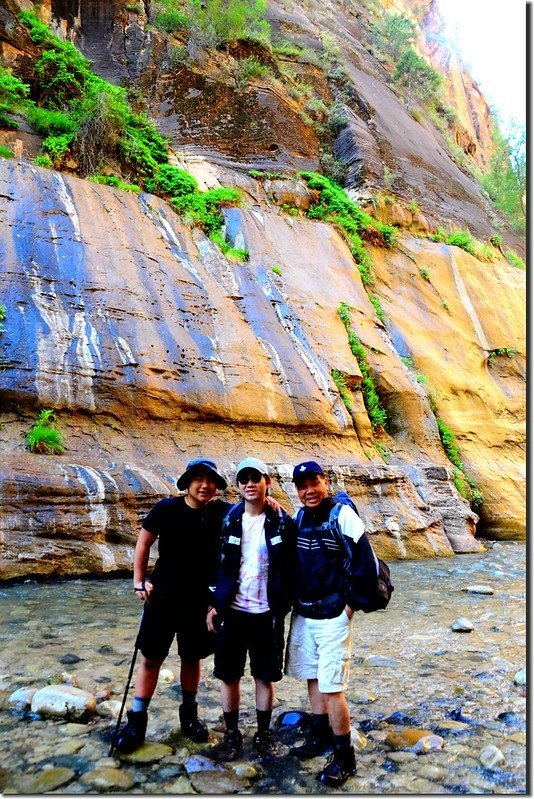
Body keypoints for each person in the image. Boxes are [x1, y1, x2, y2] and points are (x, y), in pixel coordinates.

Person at [115, 458, 231, 754]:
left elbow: (251, 509)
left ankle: (189, 717)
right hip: (163, 596)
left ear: (217, 486)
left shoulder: (221, 512)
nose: (204, 485)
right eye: (198, 479)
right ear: (187, 482)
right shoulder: (167, 508)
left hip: (200, 600)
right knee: (152, 658)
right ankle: (136, 721)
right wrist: (139, 581)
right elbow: (144, 543)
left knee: (192, 658)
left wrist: (269, 499)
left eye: (210, 480)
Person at [285, 460, 377, 787]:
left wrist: (350, 607)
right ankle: (319, 736)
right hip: (304, 613)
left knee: (333, 687)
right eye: (302, 486)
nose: (309, 491)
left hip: (334, 614)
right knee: (312, 675)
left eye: (314, 483)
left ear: (325, 482)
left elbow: (367, 565)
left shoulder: (343, 515)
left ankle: (344, 758)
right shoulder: (299, 517)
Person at [206, 457, 295, 762]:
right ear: (238, 485)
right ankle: (232, 736)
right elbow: (218, 564)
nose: (249, 483)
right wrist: (213, 604)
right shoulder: (229, 518)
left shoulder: (282, 520)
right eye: (243, 479)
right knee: (228, 675)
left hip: (267, 613)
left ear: (266, 482)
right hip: (232, 610)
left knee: (264, 676)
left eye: (255, 478)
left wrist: (286, 603)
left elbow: (293, 565)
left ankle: (263, 733)